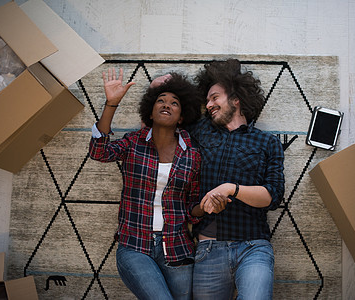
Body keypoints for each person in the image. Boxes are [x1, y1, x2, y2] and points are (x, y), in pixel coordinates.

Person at [88, 68, 204, 300]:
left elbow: (192, 208)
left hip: (177, 248)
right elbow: (98, 152)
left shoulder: (193, 154)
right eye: (160, 100)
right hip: (134, 245)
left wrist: (206, 206)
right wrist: (111, 104)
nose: (167, 104)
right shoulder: (133, 142)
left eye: (174, 103)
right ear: (150, 112)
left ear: (182, 117)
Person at [186, 59, 285, 299]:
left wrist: (231, 189)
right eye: (207, 100)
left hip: (253, 247)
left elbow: (273, 196)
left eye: (215, 97)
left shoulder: (267, 142)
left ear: (236, 99)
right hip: (209, 249)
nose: (209, 105)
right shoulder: (199, 131)